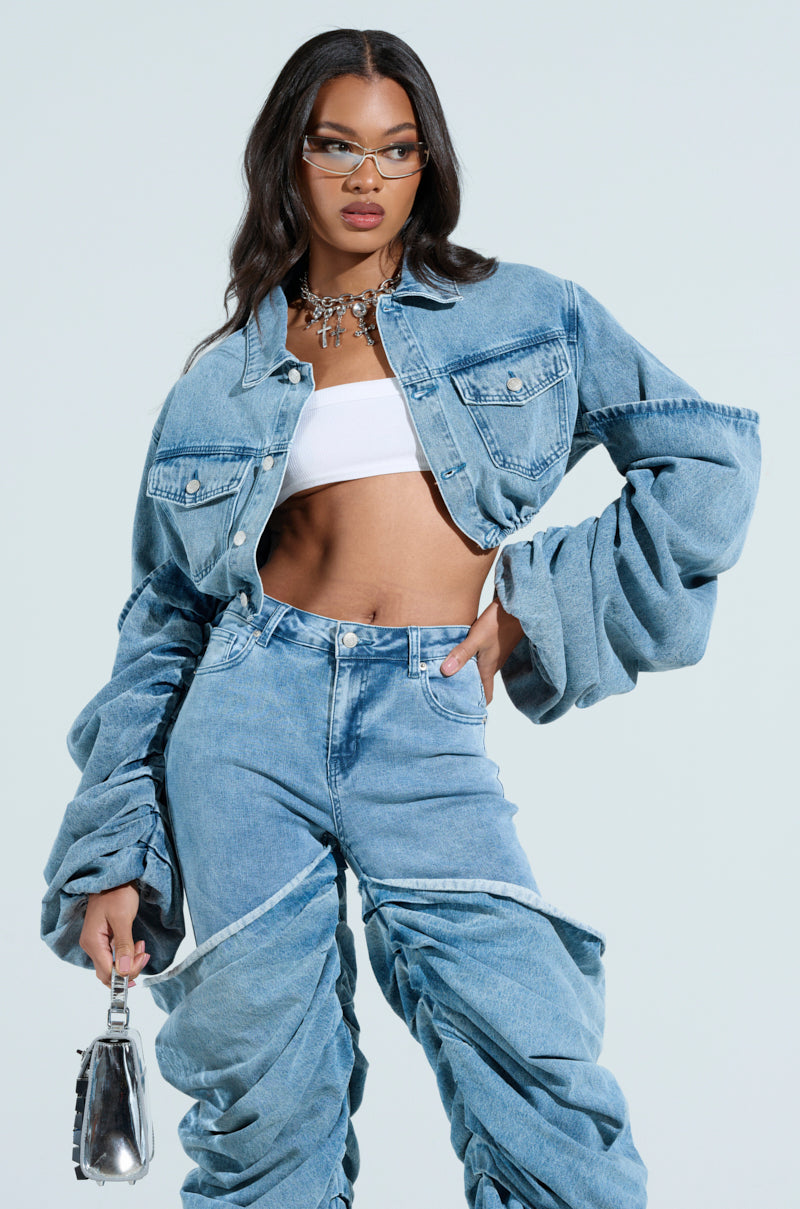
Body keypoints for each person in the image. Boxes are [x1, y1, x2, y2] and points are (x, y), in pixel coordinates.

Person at [40, 27, 761, 1209]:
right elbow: (164, 618)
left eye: (395, 149)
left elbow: (703, 464)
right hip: (243, 723)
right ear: (290, 161)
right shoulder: (220, 376)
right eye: (335, 148)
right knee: (266, 1114)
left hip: (421, 716)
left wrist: (535, 607)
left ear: (426, 166)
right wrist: (115, 855)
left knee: (537, 1079)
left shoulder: (525, 315)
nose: (365, 178)